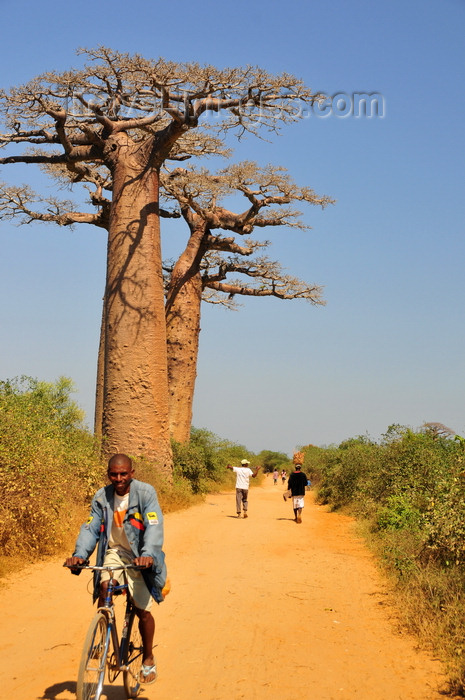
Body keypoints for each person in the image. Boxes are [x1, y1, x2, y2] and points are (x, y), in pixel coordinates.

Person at [65, 453, 167, 685]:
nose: (118, 478)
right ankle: (101, 635)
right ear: (108, 474)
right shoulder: (102, 496)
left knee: (142, 610)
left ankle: (148, 658)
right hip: (115, 552)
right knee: (104, 586)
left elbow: (153, 524)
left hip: (140, 554)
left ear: (132, 473)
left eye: (123, 474)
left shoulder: (145, 493)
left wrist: (148, 555)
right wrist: (79, 555)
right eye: (114, 474)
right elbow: (91, 528)